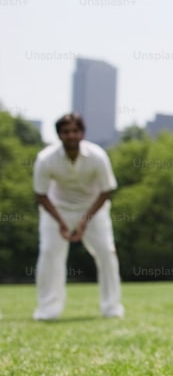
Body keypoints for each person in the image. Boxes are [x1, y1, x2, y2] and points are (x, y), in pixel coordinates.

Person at [32, 112, 124, 320]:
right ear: (59, 135)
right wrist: (62, 223)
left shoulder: (98, 156)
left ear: (82, 133)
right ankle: (48, 309)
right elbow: (41, 194)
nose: (71, 135)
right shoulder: (45, 159)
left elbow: (106, 190)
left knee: (107, 252)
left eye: (75, 131)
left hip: (93, 208)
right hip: (56, 209)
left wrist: (84, 222)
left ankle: (111, 307)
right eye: (66, 132)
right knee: (49, 253)